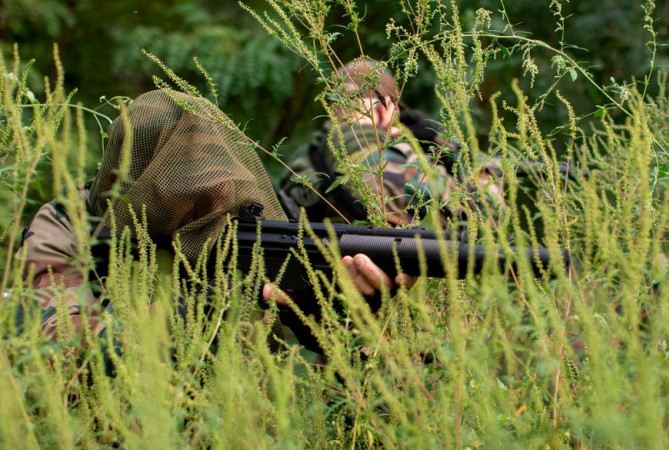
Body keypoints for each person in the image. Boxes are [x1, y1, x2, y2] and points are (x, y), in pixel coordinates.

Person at [16, 88, 412, 354]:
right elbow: (55, 346)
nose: (211, 206)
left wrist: (351, 307)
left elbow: (319, 353)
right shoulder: (68, 224)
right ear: (138, 178)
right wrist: (209, 306)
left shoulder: (245, 228)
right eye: (187, 194)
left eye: (217, 190)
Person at [277, 59, 502, 227]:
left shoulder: (307, 156)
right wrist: (458, 152)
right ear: (386, 107)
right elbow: (487, 217)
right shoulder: (385, 159)